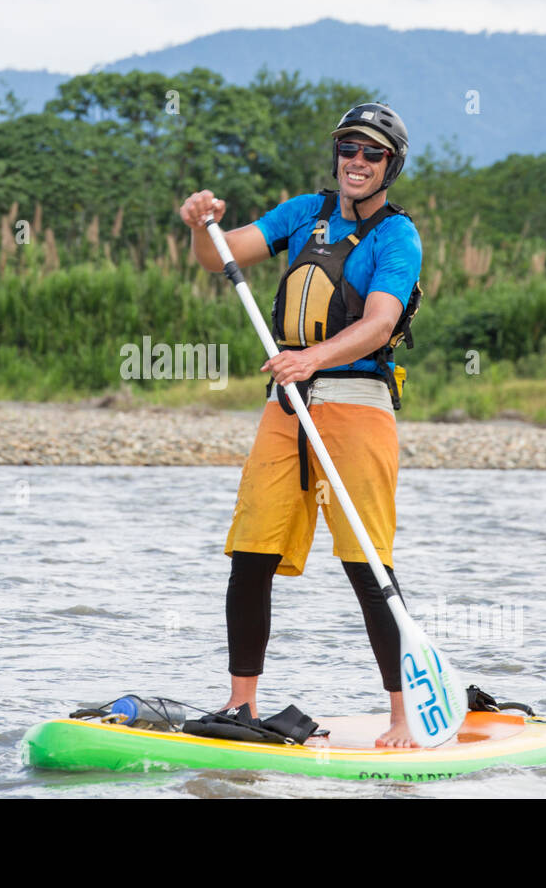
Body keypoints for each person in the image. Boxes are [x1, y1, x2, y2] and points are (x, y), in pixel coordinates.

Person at [178, 102, 424, 747]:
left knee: (366, 563)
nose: (358, 162)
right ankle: (240, 705)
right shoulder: (301, 214)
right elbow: (218, 258)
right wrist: (201, 227)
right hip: (286, 404)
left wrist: (310, 357)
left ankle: (402, 716)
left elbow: (377, 322)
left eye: (373, 153)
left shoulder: (398, 237)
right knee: (250, 551)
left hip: (357, 403)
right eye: (349, 149)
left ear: (391, 164)